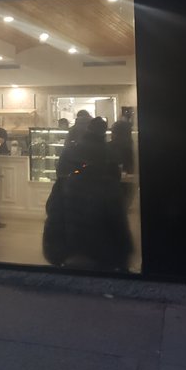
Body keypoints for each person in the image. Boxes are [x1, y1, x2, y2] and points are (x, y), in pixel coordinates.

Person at [43, 116, 133, 271]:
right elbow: (119, 228)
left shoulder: (67, 172)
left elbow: (53, 218)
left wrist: (57, 254)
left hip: (70, 255)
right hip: (102, 256)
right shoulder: (108, 158)